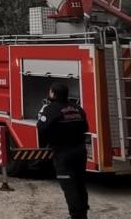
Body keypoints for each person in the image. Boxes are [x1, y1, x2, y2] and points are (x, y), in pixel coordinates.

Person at [37, 82, 90, 219]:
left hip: (63, 153)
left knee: (69, 186)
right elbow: (85, 128)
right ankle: (83, 214)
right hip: (80, 151)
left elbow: (41, 128)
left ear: (53, 93)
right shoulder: (77, 108)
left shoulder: (50, 109)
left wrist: (45, 146)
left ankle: (76, 216)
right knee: (79, 183)